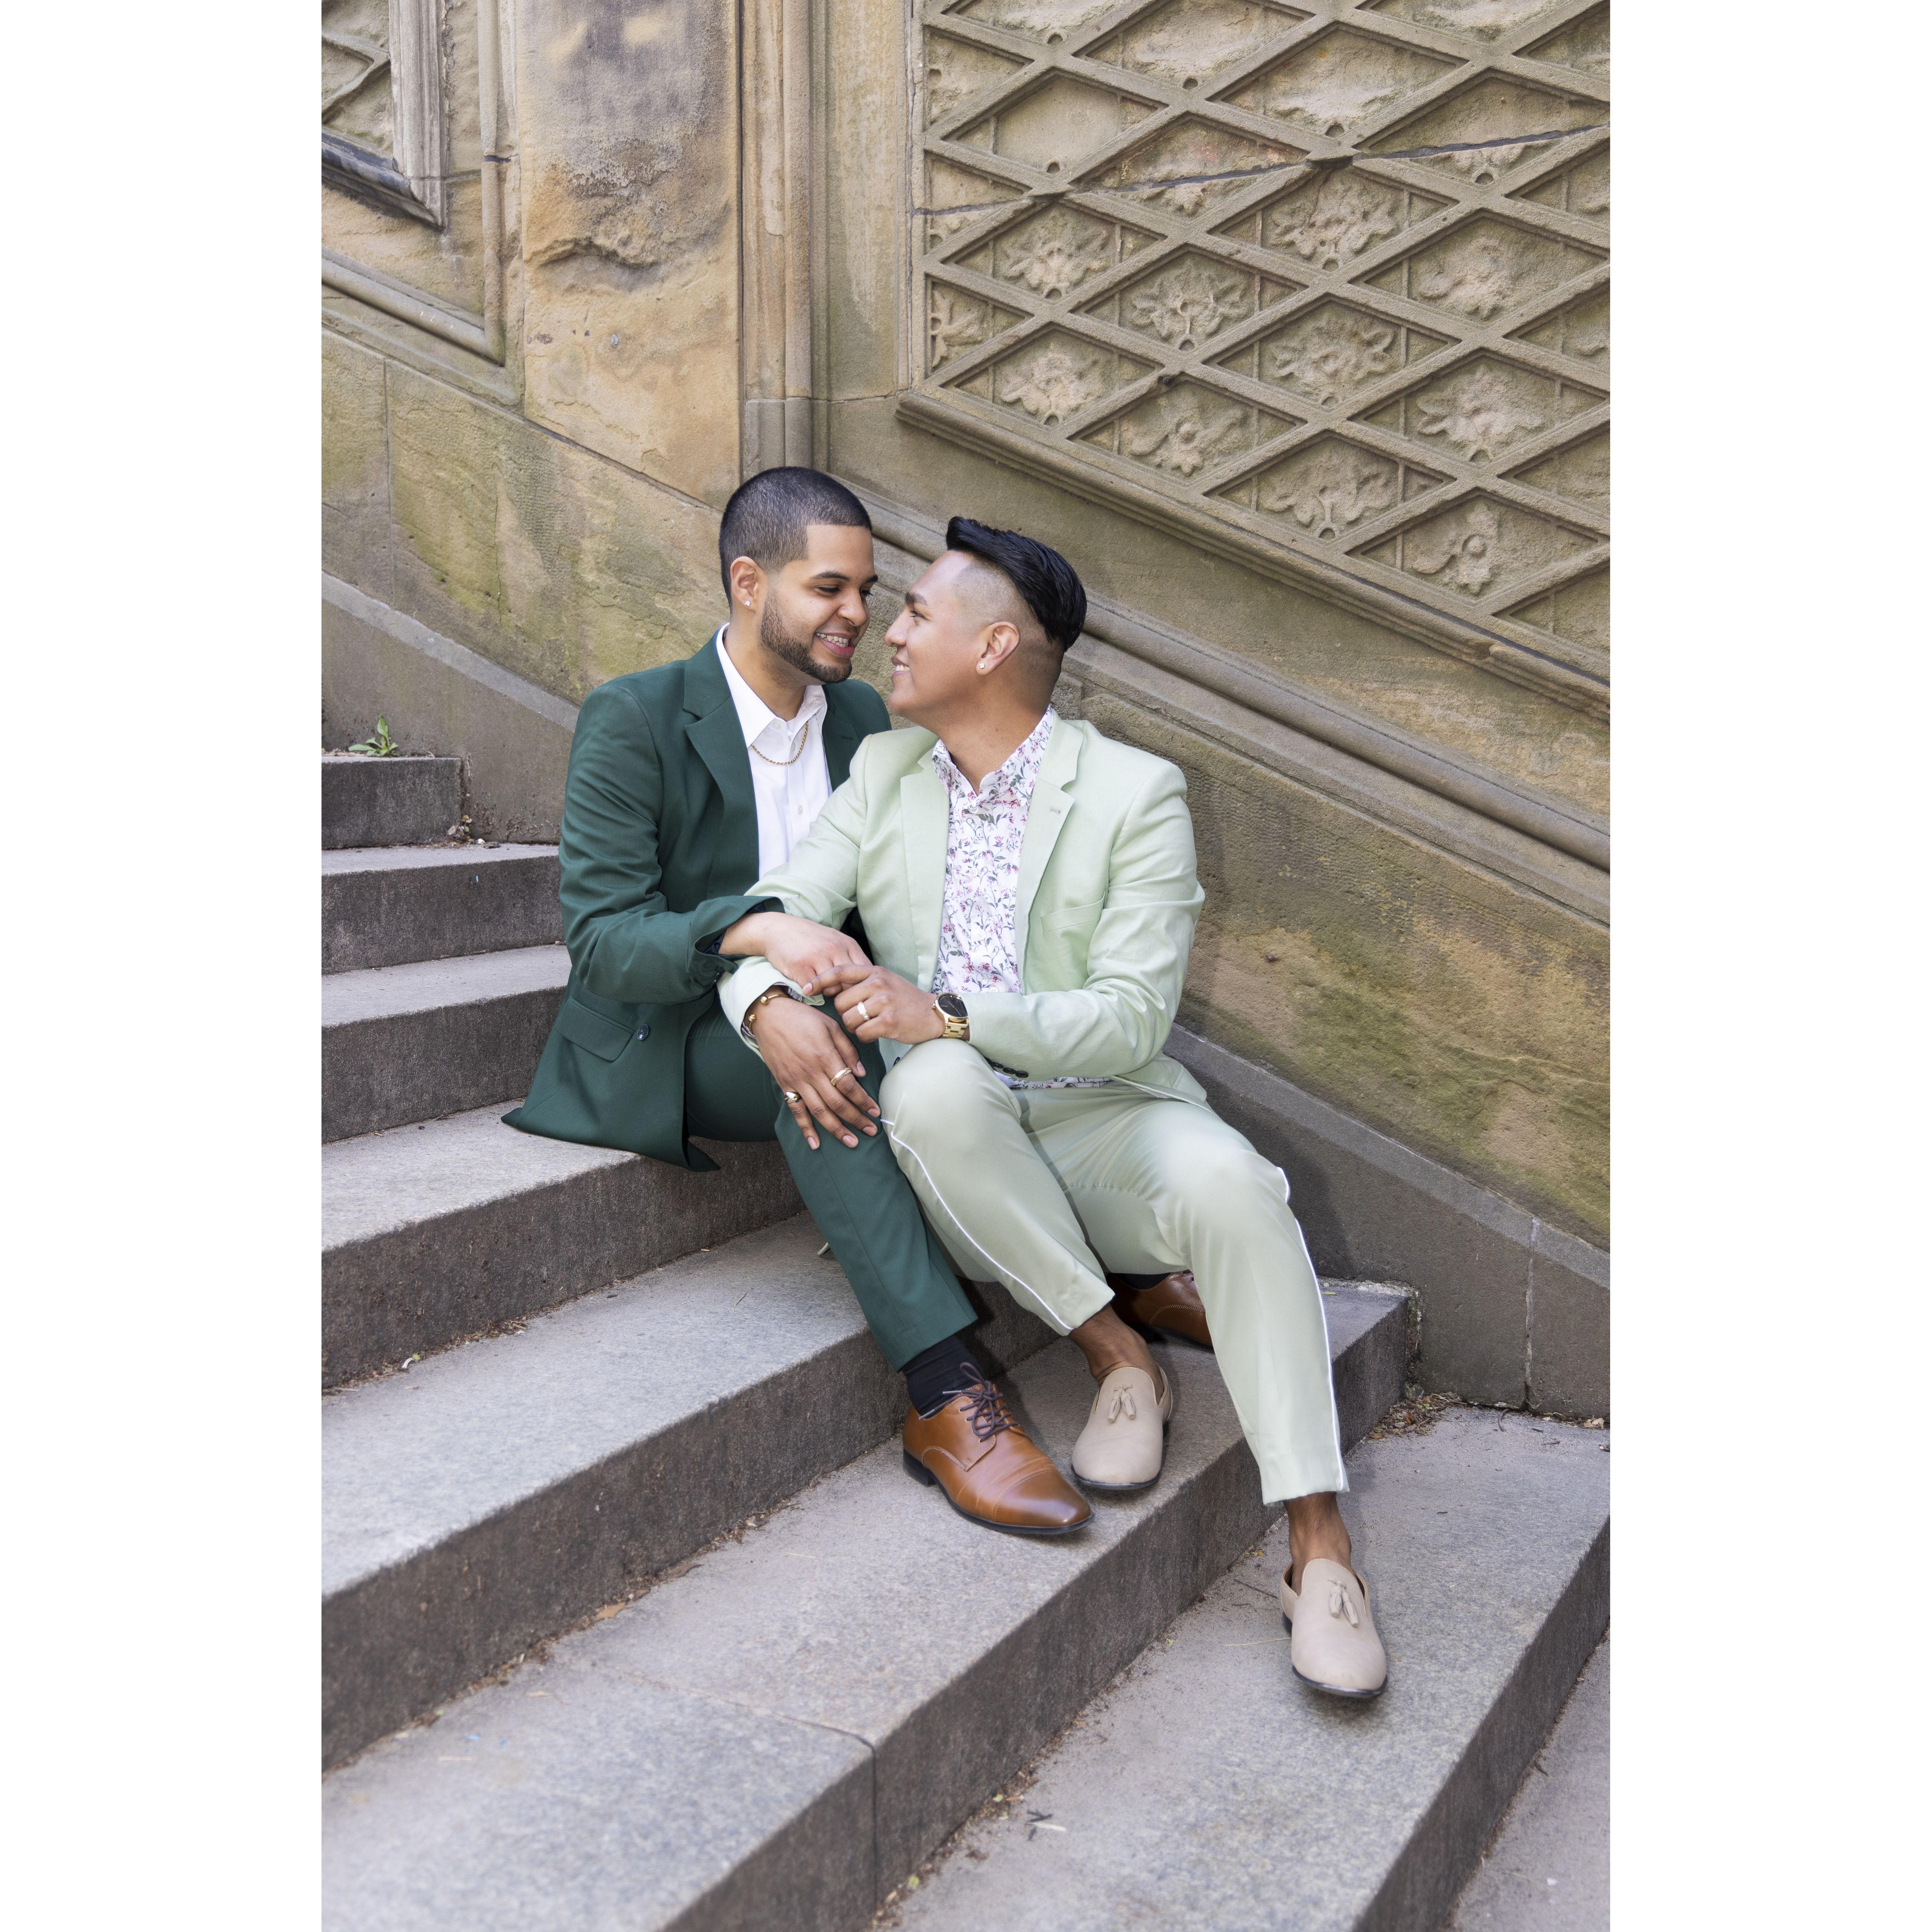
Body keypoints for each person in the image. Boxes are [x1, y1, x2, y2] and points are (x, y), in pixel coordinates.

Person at [713, 517, 1388, 1698]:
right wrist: (769, 998)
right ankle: (1117, 1352)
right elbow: (772, 912)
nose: (890, 630)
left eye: (919, 613)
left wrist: (946, 1010)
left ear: (993, 648)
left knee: (1235, 1187)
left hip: (1107, 1115)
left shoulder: (1136, 793)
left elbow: (1130, 1019)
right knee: (932, 1086)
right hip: (962, 1136)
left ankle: (1317, 1543)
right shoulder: (885, 776)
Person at [505, 469, 1095, 1535]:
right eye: (831, 588)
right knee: (835, 1056)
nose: (860, 615)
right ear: (749, 583)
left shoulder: (865, 717)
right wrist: (758, 948)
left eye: (869, 590)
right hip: (669, 1035)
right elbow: (603, 942)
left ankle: (1118, 1263)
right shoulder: (635, 716)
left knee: (944, 1027)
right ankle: (946, 1393)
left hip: (829, 1002)